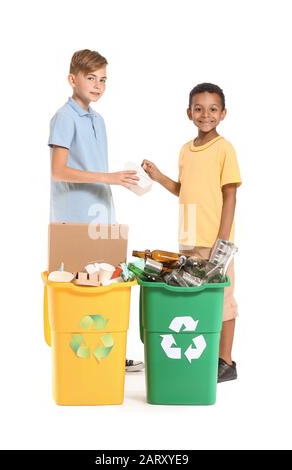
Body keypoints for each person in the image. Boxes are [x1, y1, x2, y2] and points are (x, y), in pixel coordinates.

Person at [48, 49, 144, 372]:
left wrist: (121, 182)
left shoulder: (99, 120)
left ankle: (112, 354)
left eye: (103, 80)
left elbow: (94, 166)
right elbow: (58, 171)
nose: (98, 85)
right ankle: (76, 359)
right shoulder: (64, 117)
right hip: (73, 219)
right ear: (72, 79)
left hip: (101, 215)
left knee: (106, 284)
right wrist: (109, 177)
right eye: (91, 78)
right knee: (77, 288)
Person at [142, 83, 242, 383]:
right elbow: (183, 190)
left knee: (222, 298)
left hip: (214, 241)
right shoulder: (186, 150)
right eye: (199, 109)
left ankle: (226, 362)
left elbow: (230, 195)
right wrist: (159, 177)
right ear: (189, 113)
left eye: (213, 109)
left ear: (223, 114)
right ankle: (202, 353)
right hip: (188, 239)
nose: (205, 115)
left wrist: (221, 243)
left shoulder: (224, 149)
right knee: (195, 299)